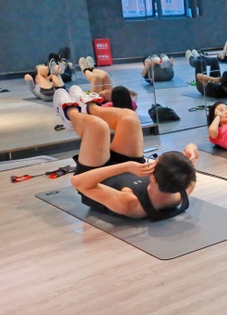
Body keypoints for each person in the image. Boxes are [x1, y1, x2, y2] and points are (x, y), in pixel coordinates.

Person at [52, 86, 198, 221]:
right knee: (129, 117)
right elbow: (194, 155)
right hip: (129, 167)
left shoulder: (130, 202)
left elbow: (77, 182)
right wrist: (190, 150)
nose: (153, 163)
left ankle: (70, 113)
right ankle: (90, 107)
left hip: (92, 179)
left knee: (97, 126)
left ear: (153, 178)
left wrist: (127, 166)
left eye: (155, 164)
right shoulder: (181, 187)